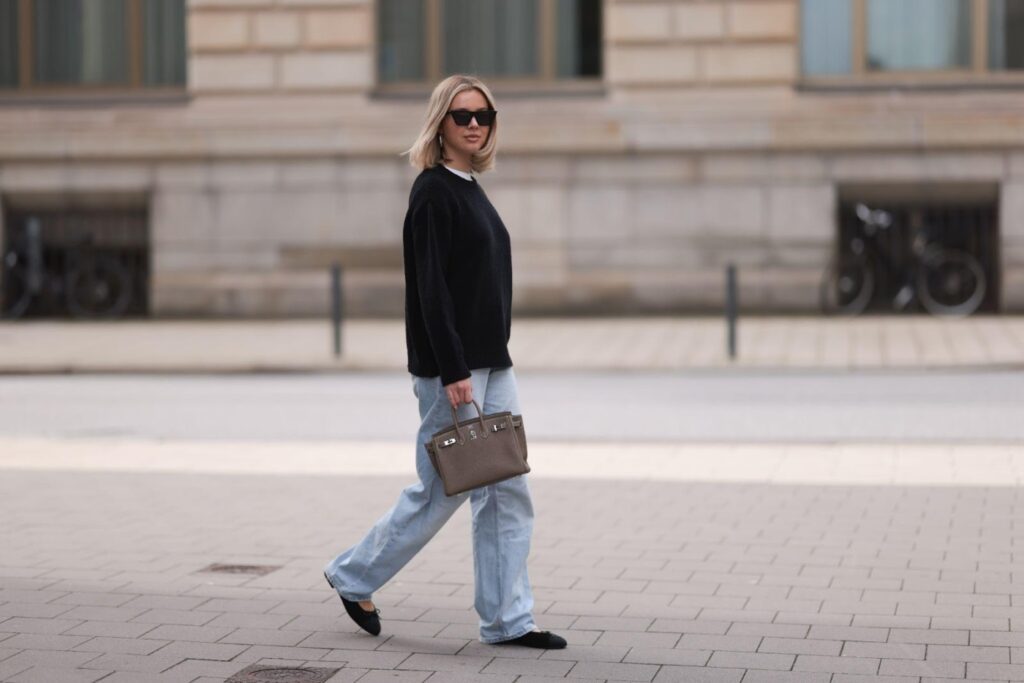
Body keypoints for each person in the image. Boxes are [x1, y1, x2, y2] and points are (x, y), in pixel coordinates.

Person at [323, 75, 567, 650]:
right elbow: (431, 290)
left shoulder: (469, 185)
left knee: (507, 489)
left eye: (484, 114)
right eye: (462, 116)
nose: (475, 125)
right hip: (453, 370)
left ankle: (508, 621)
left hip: (492, 364)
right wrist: (455, 370)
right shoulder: (433, 191)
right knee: (444, 490)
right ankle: (354, 575)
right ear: (441, 124)